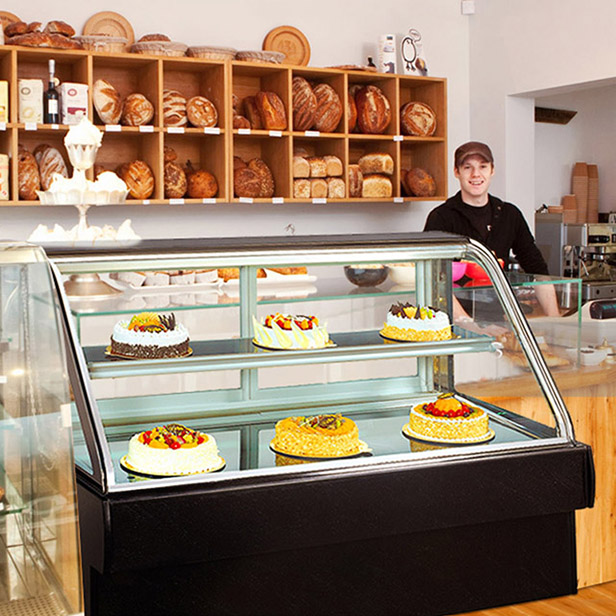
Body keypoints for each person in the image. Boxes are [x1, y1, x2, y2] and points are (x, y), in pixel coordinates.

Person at [424, 140, 560, 322]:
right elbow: (434, 281)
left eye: (483, 166)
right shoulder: (441, 217)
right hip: (453, 325)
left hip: (499, 319)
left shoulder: (509, 214)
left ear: (492, 170)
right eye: (467, 167)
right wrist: (471, 327)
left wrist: (556, 322)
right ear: (456, 172)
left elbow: (538, 271)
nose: (476, 174)